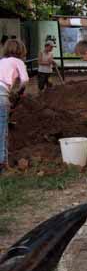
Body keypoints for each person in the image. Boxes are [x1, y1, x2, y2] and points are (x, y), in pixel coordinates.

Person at [0, 39, 29, 173]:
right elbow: (24, 80)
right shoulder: (18, 62)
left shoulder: (1, 61)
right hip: (1, 97)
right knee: (2, 132)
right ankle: (3, 165)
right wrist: (19, 92)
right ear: (21, 51)